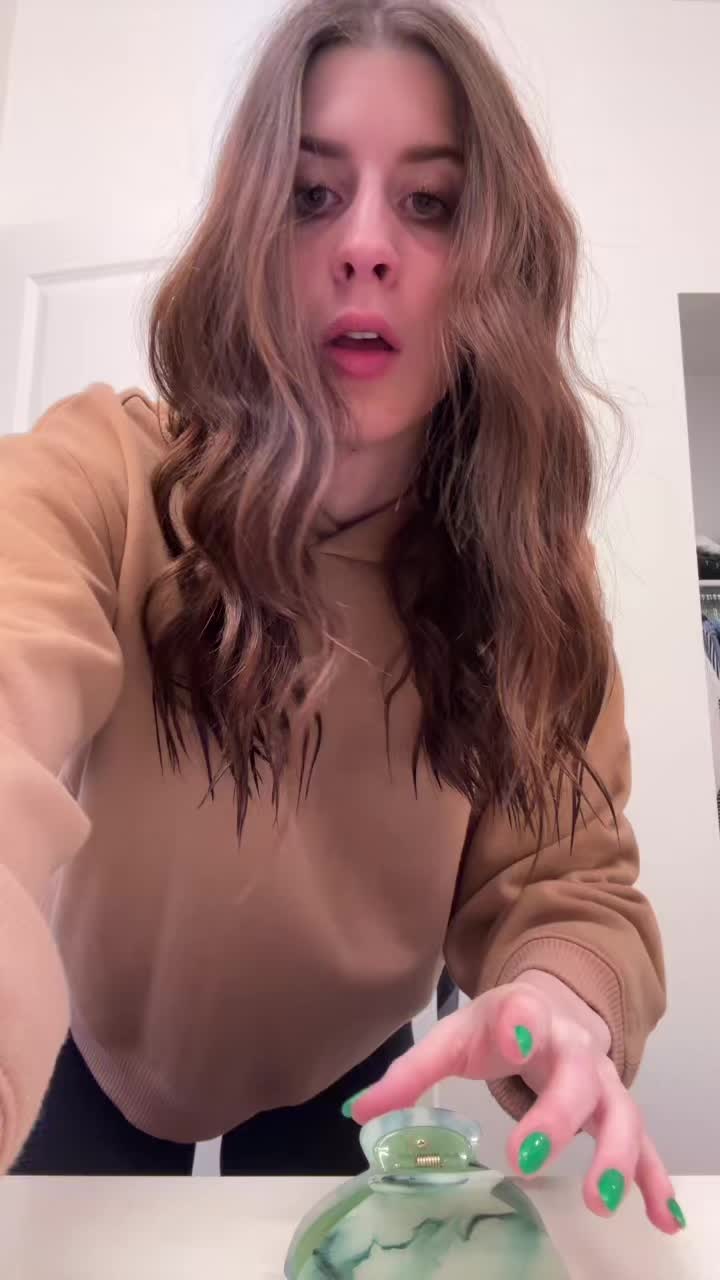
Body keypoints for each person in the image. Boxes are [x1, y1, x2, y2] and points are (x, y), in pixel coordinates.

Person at [0, 0, 683, 1236]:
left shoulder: (534, 575)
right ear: (250, 240)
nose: (365, 244)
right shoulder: (106, 472)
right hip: (93, 1048)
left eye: (430, 202)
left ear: (495, 258)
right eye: (312, 194)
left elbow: (570, 882)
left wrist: (563, 998)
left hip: (348, 1069)